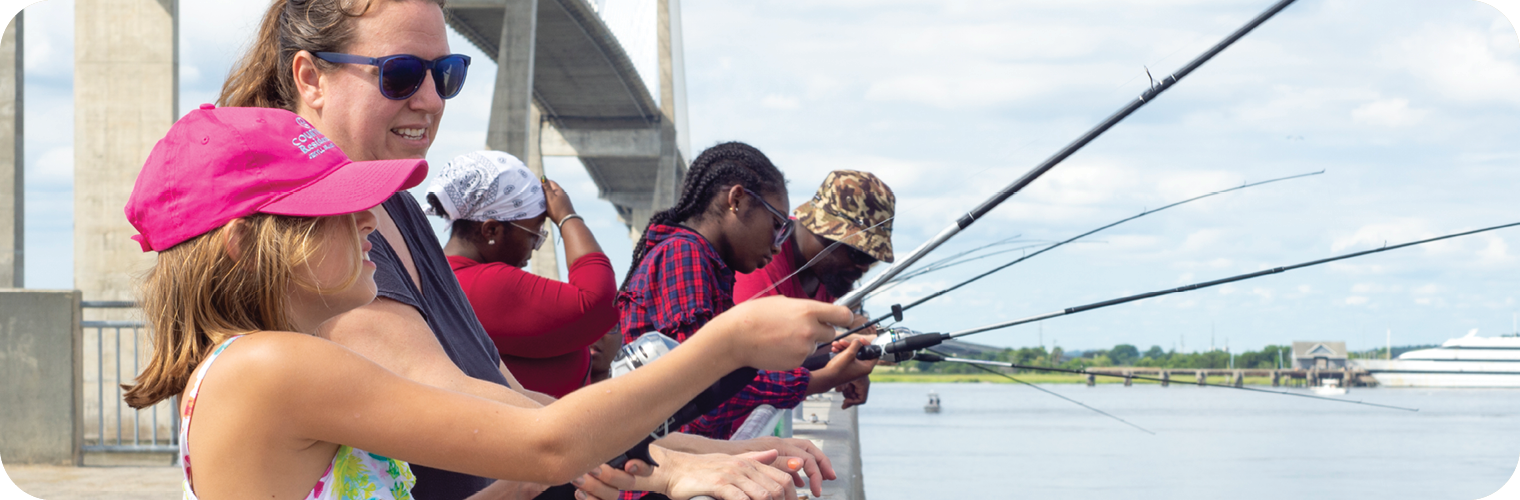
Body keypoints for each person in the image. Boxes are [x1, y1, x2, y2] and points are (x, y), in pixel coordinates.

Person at [217, 1, 839, 497]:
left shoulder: (395, 208)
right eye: (401, 73)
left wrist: (708, 454)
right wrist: (726, 348)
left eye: (447, 74)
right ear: (309, 77)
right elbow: (536, 434)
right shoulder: (320, 261)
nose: (431, 99)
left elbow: (521, 405)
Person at [122, 105, 836, 500]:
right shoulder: (275, 367)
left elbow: (535, 453)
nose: (370, 221)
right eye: (334, 213)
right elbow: (548, 441)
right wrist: (731, 341)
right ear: (246, 247)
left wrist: (525, 485)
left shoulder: (252, 368)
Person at [617, 143, 879, 445]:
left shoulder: (707, 265)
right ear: (737, 200)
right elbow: (703, 392)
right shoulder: (683, 255)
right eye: (777, 225)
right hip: (654, 478)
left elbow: (716, 377)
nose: (779, 244)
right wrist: (822, 380)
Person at [428, 151, 617, 398]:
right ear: (491, 230)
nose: (535, 247)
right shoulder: (486, 285)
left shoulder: (441, 275)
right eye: (534, 234)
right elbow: (599, 302)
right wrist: (567, 216)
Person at [733, 170, 897, 410]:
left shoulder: (826, 275)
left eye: (872, 259)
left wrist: (851, 363)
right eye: (858, 253)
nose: (863, 267)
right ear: (822, 229)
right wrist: (849, 351)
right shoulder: (761, 259)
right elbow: (755, 360)